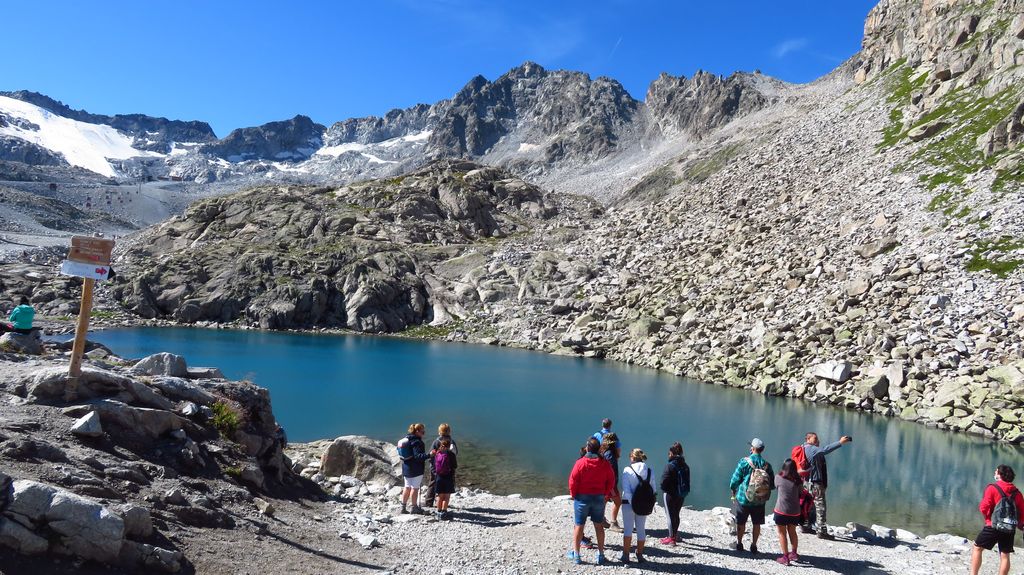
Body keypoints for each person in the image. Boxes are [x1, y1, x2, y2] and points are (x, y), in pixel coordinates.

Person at [567, 437, 615, 565]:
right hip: (598, 497)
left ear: (587, 448)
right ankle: (600, 554)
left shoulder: (581, 463)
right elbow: (611, 480)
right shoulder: (605, 463)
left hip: (582, 498)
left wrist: (573, 494)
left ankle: (576, 555)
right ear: (598, 448)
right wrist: (605, 493)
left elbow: (573, 480)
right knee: (598, 525)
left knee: (579, 525)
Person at [970, 464, 1024, 575]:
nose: (994, 473)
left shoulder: (992, 488)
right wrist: (1019, 525)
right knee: (1005, 555)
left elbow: (983, 507)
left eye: (996, 471)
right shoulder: (1017, 493)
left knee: (977, 548)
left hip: (993, 526)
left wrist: (988, 520)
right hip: (1009, 527)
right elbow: (1022, 513)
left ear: (1000, 474)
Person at [801, 432, 852, 539]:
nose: (817, 441)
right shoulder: (811, 449)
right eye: (815, 439)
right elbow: (825, 449)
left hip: (806, 482)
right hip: (815, 483)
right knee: (820, 507)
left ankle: (805, 526)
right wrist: (840, 442)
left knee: (808, 505)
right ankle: (822, 531)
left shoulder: (804, 448)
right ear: (808, 439)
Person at [729, 438, 775, 554]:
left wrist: (733, 489)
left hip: (744, 499)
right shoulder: (767, 465)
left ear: (753, 448)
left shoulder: (744, 462)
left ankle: (739, 543)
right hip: (759, 500)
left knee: (741, 522)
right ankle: (754, 546)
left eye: (751, 446)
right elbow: (772, 485)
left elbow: (735, 480)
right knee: (756, 523)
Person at [620, 448, 653, 564]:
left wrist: (632, 503)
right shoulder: (649, 470)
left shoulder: (627, 470)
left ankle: (625, 555)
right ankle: (639, 555)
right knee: (641, 529)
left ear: (632, 458)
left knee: (628, 529)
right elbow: (652, 489)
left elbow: (626, 490)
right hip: (644, 504)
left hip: (628, 504)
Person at [773, 458, 804, 565]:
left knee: (782, 533)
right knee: (792, 531)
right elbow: (800, 493)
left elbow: (776, 487)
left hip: (781, 511)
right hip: (795, 512)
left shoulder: (778, 478)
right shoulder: (798, 481)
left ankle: (785, 557)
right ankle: (794, 553)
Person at [659, 441, 690, 546]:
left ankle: (671, 539)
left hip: (670, 494)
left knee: (670, 516)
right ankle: (675, 535)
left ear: (671, 453)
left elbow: (663, 481)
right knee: (676, 514)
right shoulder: (685, 465)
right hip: (681, 494)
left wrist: (664, 489)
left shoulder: (670, 465)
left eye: (669, 453)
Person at [398, 423, 430, 514]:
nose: (424, 433)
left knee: (407, 487)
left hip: (406, 466)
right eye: (422, 432)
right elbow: (418, 456)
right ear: (417, 431)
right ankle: (414, 507)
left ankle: (403, 507)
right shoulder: (417, 442)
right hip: (416, 468)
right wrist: (429, 455)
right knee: (414, 488)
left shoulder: (407, 439)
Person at [424, 423, 458, 508]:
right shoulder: (451, 442)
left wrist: (432, 466)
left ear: (439, 431)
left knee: (432, 484)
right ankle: (444, 504)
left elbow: (430, 455)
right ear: (449, 431)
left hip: (436, 468)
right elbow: (455, 453)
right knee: (446, 487)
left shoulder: (436, 441)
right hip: (449, 470)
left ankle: (429, 502)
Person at [600, 432, 623, 530]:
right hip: (610, 484)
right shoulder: (610, 455)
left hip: (604, 483)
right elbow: (611, 471)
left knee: (604, 501)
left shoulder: (604, 452)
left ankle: (601, 520)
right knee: (618, 502)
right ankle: (613, 523)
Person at [432, 438, 458, 520]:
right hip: (448, 477)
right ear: (449, 446)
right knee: (447, 496)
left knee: (440, 495)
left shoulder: (437, 454)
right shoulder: (451, 454)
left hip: (439, 477)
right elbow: (455, 466)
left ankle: (438, 511)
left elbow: (434, 465)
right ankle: (444, 512)